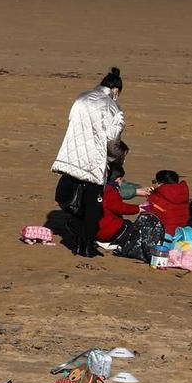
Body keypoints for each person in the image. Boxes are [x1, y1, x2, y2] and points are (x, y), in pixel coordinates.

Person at [49, 67, 126, 258]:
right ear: (115, 90)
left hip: (71, 159)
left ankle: (77, 238)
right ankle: (86, 245)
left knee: (71, 199)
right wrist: (119, 158)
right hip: (94, 164)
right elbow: (112, 141)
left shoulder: (81, 98)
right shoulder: (113, 108)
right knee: (93, 209)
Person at [97, 152, 140, 244]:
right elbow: (120, 208)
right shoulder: (111, 191)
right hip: (105, 229)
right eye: (121, 179)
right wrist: (138, 208)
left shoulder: (99, 187)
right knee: (129, 227)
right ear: (117, 179)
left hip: (96, 225)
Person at [144, 170, 191, 235]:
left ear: (160, 184)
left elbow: (145, 216)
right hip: (182, 234)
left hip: (164, 235)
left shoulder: (155, 199)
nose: (154, 185)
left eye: (154, 182)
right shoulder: (183, 195)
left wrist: (150, 198)